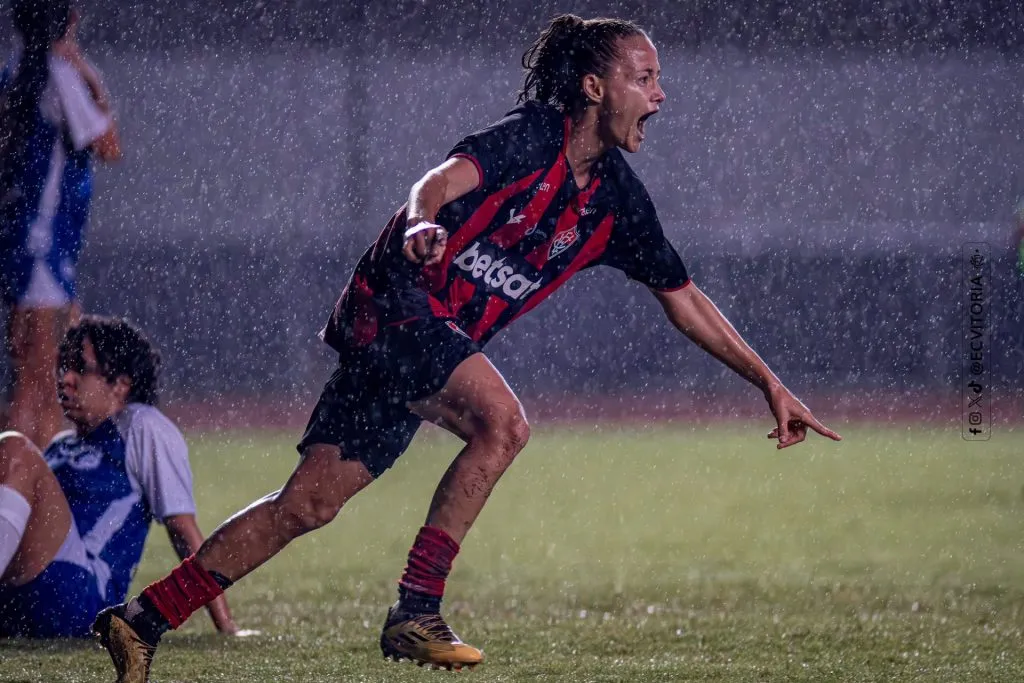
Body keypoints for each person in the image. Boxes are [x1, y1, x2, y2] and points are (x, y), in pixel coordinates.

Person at [93, 14, 841, 679]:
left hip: (418, 336)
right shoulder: (532, 137)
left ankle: (141, 619)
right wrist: (421, 222)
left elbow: (685, 301)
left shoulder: (616, 201)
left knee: (307, 504)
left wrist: (767, 382)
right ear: (591, 85)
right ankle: (416, 610)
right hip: (395, 303)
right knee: (503, 423)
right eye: (644, 77)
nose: (660, 95)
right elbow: (438, 180)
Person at [0, 315, 236, 638]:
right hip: (21, 601)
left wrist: (226, 625)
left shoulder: (142, 427)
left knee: (13, 448)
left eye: (81, 369)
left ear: (120, 385)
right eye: (64, 366)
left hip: (81, 597)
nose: (65, 379)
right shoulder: (61, 445)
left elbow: (183, 530)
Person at [0, 0, 122, 450]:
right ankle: (25, 496)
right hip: (44, 249)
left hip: (23, 244)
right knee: (44, 387)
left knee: (39, 376)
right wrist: (88, 72)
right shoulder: (59, 75)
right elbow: (109, 144)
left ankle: (29, 491)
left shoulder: (16, 70)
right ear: (67, 22)